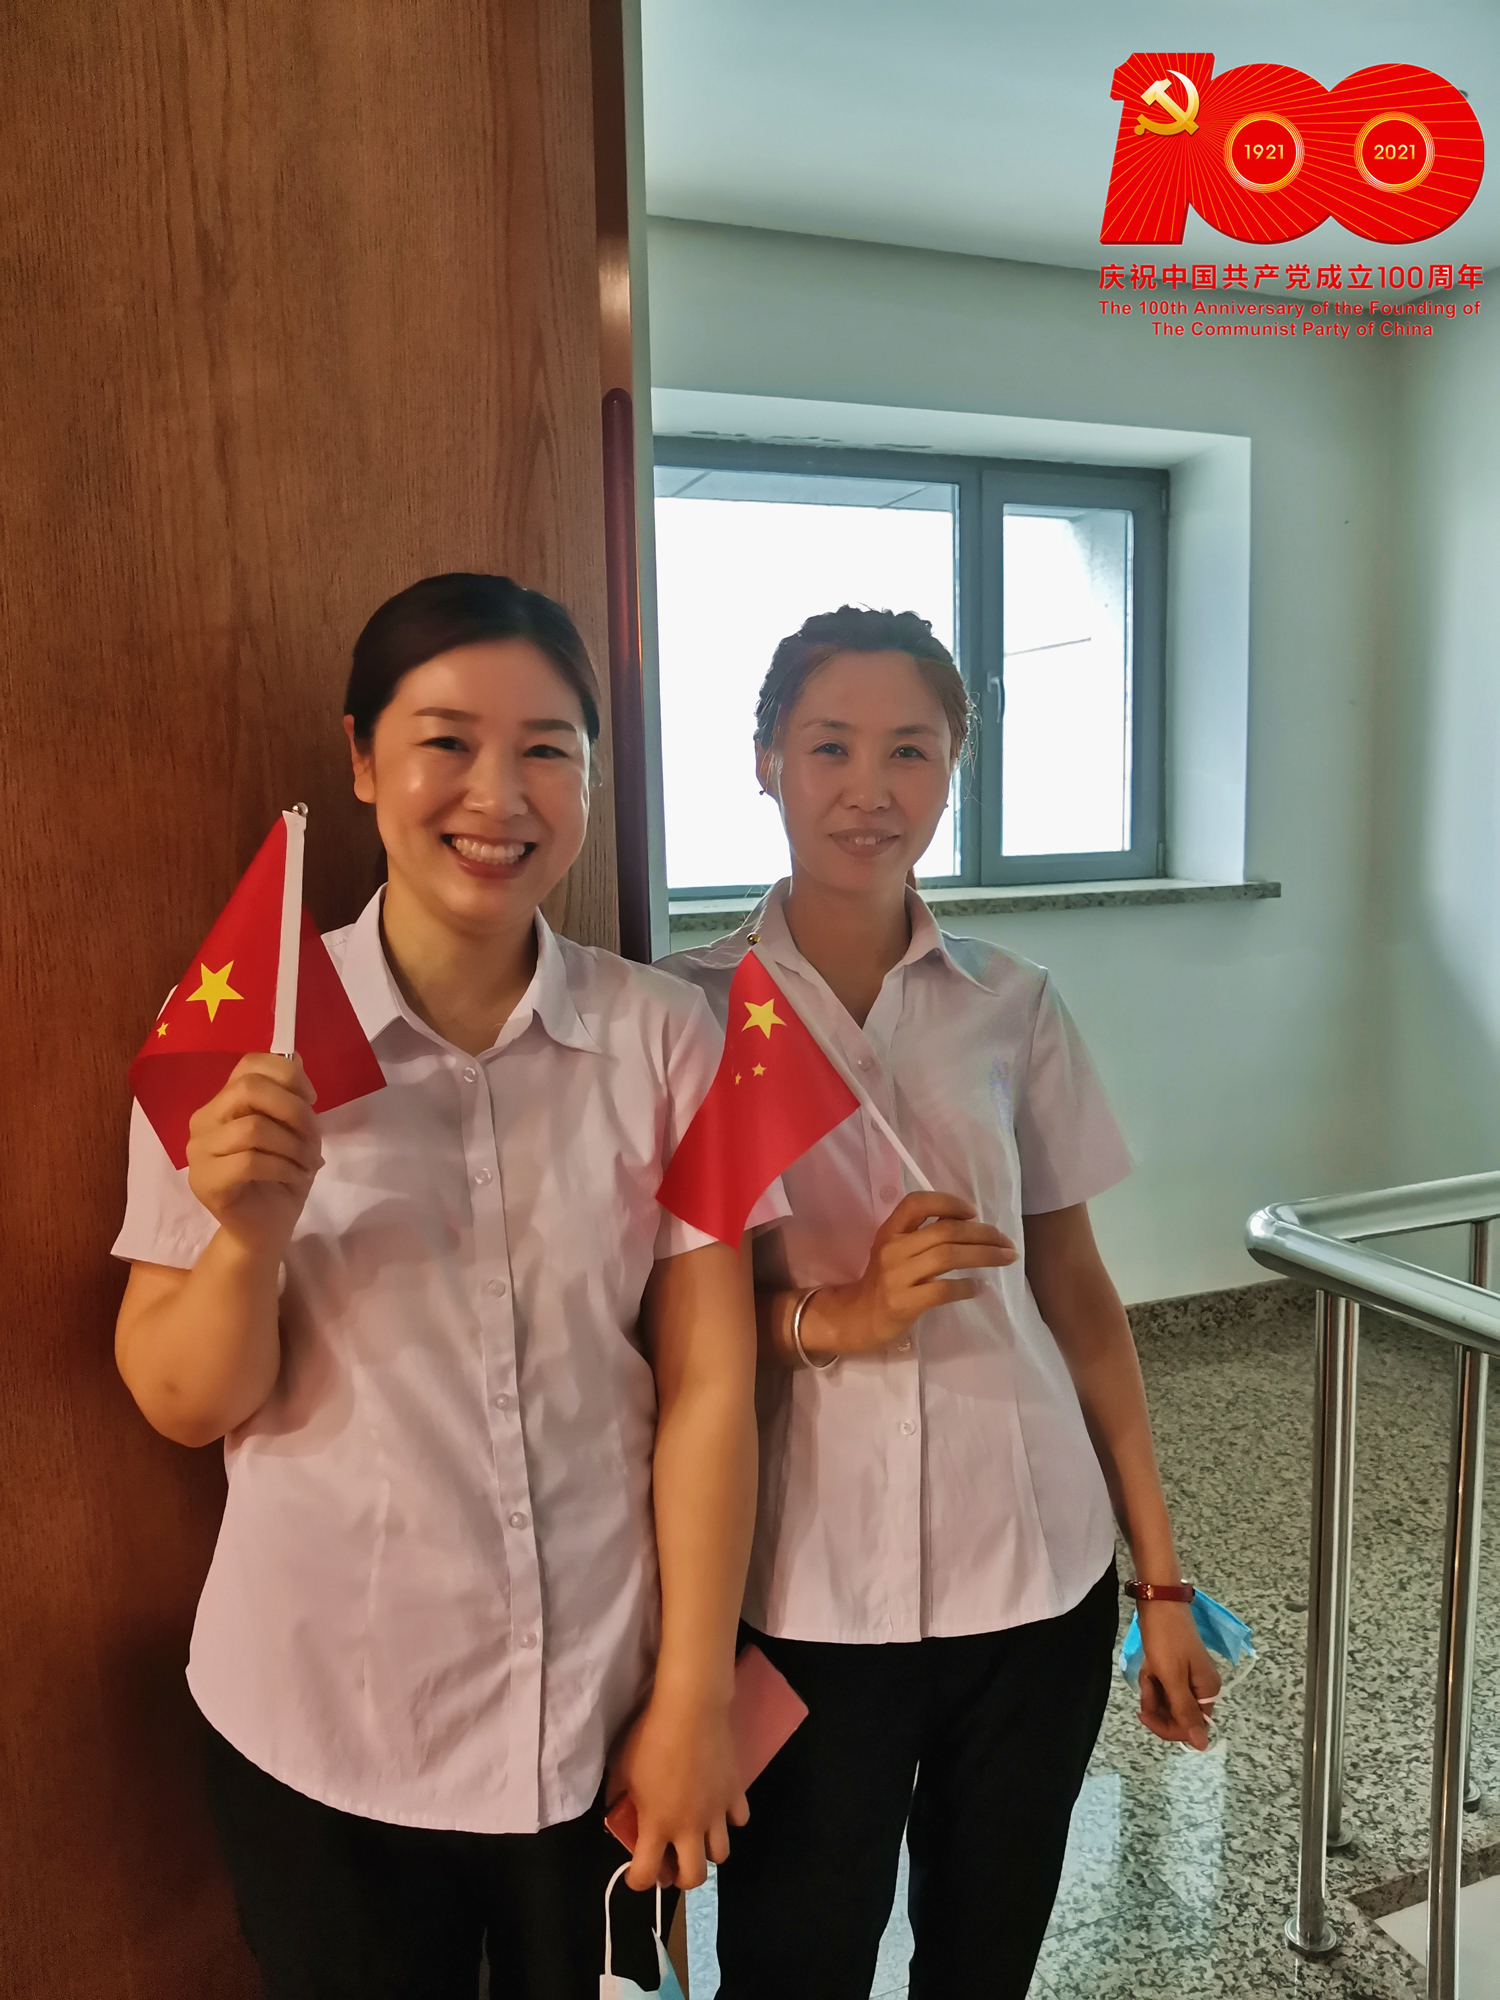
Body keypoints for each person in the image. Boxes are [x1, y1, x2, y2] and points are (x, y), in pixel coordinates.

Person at [113, 573, 770, 2000]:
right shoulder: (241, 1033)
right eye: (447, 741)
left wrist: (694, 1696)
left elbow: (713, 1385)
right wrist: (248, 1234)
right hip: (325, 1722)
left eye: (548, 749)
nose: (499, 793)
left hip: (600, 1714)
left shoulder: (670, 1041)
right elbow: (180, 1399)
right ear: (361, 758)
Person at [661, 605, 1220, 2000]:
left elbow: (1076, 1293)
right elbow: (659, 1324)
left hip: (1030, 1570)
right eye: (830, 746)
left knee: (985, 1957)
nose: (871, 788)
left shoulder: (1010, 1003)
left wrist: (1159, 1580)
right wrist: (832, 1319)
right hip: (803, 1585)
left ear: (955, 768)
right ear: (765, 761)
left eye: (911, 750)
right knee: (792, 1961)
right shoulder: (683, 1016)